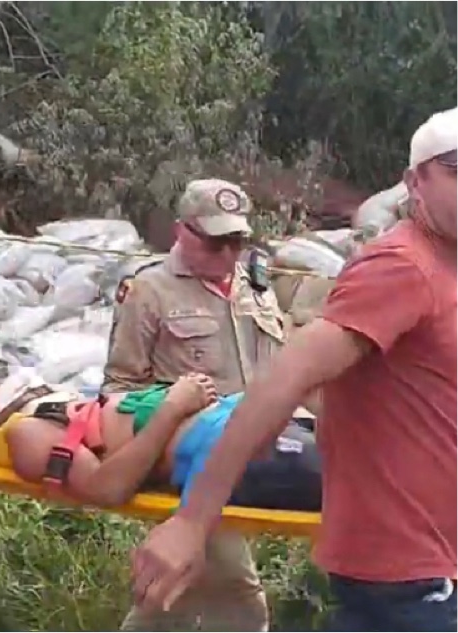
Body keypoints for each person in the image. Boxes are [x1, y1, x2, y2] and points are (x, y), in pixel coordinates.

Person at [131, 108, 457, 632]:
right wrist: (192, 520)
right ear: (414, 181)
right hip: (409, 576)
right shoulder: (402, 267)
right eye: (455, 168)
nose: (229, 252)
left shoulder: (444, 269)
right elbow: (288, 375)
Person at [103, 178, 288, 631]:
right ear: (183, 232)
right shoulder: (150, 290)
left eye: (237, 242)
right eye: (215, 243)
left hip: (253, 459)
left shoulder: (256, 288)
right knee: (239, 597)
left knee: (180, 590)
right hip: (191, 461)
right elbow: (118, 390)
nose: (228, 255)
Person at [0, 374, 320, 512]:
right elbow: (106, 489)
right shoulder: (27, 434)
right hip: (225, 451)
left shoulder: (66, 401)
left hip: (246, 417)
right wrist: (171, 409)